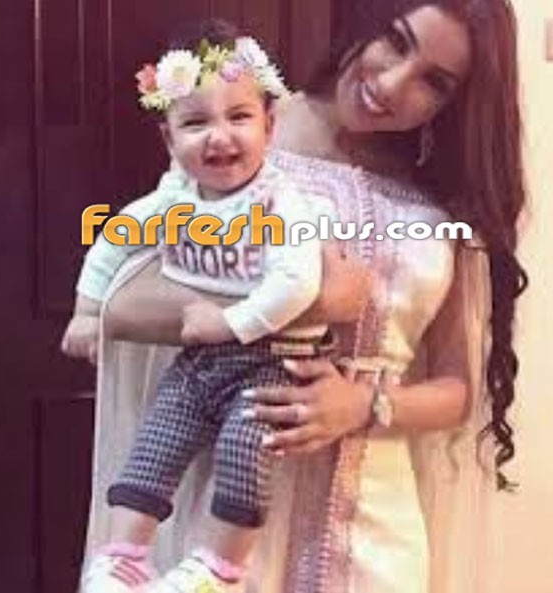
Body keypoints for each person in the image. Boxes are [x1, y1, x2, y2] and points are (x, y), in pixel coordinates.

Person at [79, 2, 527, 592]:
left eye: (434, 83)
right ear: (366, 20)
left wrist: (364, 405)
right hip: (230, 514)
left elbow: (456, 390)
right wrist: (307, 301)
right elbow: (122, 306)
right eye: (395, 41)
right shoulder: (240, 133)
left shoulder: (443, 198)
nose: (392, 83)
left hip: (375, 527)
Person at [62, 25, 341, 593]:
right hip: (197, 365)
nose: (219, 137)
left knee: (246, 452)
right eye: (195, 123)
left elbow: (298, 282)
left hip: (271, 362)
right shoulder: (173, 201)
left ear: (270, 125)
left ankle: (217, 567)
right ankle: (122, 559)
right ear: (169, 139)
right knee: (155, 443)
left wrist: (228, 322)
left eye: (239, 117)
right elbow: (113, 241)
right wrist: (87, 311)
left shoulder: (282, 204)